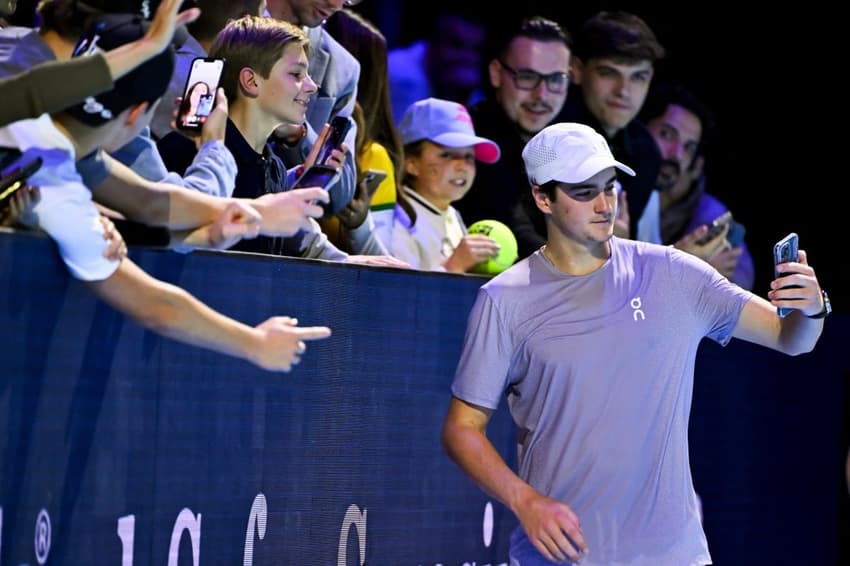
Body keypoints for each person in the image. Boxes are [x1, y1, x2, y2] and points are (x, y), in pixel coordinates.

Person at [441, 122, 829, 565]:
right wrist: (525, 501)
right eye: (584, 192)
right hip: (559, 557)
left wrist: (812, 307)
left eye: (610, 187)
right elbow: (461, 429)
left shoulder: (674, 273)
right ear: (542, 198)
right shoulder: (504, 299)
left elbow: (791, 339)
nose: (605, 204)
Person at [0, 12, 331, 372]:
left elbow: (150, 203)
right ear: (136, 115)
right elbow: (155, 306)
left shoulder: (29, 119)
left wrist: (216, 228)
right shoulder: (51, 184)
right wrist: (254, 343)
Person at [199, 15, 401, 265]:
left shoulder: (274, 168)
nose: (313, 86)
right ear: (251, 81)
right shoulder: (197, 157)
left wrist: (353, 263)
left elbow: (296, 244)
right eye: (296, 74)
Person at [453, 16, 572, 259]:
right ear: (496, 73)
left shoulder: (568, 144)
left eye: (555, 80)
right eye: (527, 77)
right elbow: (514, 227)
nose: (542, 94)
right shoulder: (468, 139)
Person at [554, 11, 665, 241]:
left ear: (650, 77)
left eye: (638, 77)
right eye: (608, 73)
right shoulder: (549, 134)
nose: (623, 91)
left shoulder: (646, 152)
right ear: (576, 70)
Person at [640, 81, 755, 289]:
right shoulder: (618, 189)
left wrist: (705, 274)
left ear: (696, 166)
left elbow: (742, 280)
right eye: (667, 134)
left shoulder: (710, 214)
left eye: (688, 148)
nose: (676, 154)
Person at [264, 0, 361, 215]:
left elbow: (338, 196)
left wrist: (298, 135)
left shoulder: (343, 69)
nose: (337, 5)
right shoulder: (217, 24)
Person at [388, 97, 502, 272]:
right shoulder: (397, 219)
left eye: (469, 157)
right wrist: (453, 266)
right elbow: (398, 294)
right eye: (447, 155)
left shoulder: (452, 214)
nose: (463, 166)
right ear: (410, 162)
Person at [387, 5, 487, 123]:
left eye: (475, 49)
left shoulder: (468, 81)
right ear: (434, 41)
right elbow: (409, 137)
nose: (466, 57)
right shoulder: (399, 72)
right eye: (457, 45)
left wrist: (463, 94)